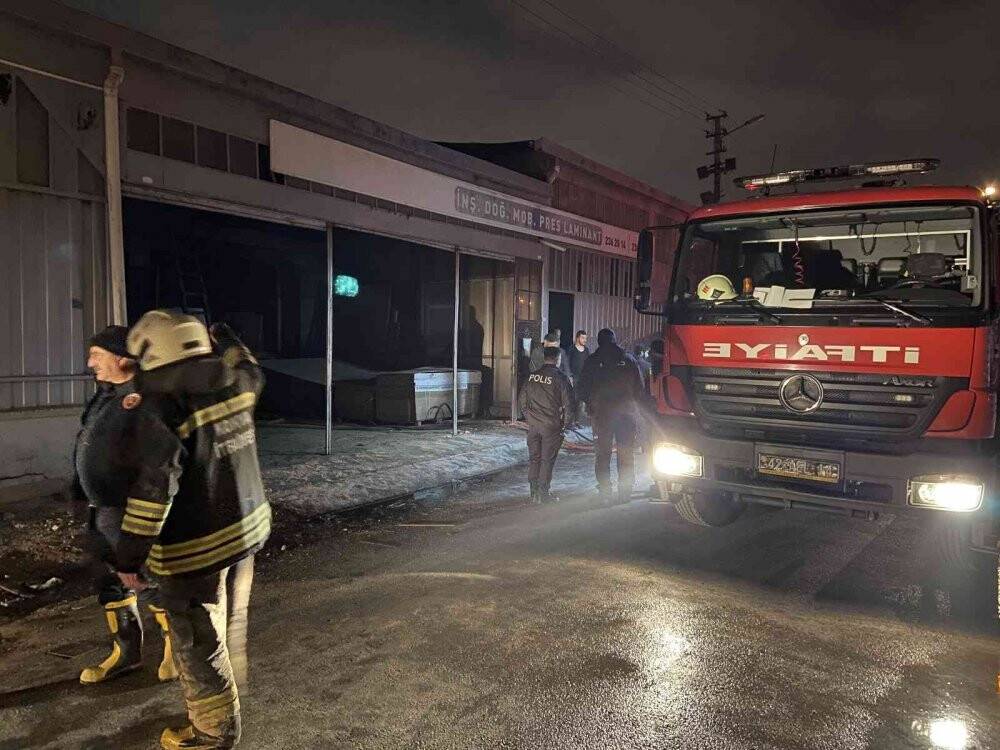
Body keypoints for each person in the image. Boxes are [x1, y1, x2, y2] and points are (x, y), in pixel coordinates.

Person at [118, 311, 269, 750]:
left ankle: (214, 732)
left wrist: (128, 557)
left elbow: (153, 491)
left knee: (194, 635)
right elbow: (250, 364)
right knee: (214, 608)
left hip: (195, 544)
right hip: (247, 526)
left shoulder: (162, 410)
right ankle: (221, 685)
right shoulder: (237, 382)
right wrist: (227, 335)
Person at [72, 325, 177, 685]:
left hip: (130, 510)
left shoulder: (147, 400)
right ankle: (126, 654)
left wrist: (137, 528)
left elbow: (157, 471)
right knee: (111, 581)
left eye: (96, 356)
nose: (89, 363)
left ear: (123, 357)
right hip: (99, 509)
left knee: (145, 578)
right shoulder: (106, 394)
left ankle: (175, 651)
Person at [576, 328, 647, 505]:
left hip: (602, 416)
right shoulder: (629, 359)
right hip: (626, 416)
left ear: (599, 342)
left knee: (602, 454)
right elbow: (640, 388)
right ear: (614, 341)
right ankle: (625, 492)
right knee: (626, 453)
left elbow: (582, 389)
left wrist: (591, 404)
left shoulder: (592, 361)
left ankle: (606, 491)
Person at [517, 347, 575, 504]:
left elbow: (522, 401)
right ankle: (543, 494)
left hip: (534, 426)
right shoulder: (560, 378)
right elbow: (569, 405)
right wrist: (566, 425)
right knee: (547, 460)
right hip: (551, 426)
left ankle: (533, 492)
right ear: (557, 359)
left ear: (544, 358)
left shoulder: (532, 377)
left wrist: (530, 418)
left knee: (534, 458)